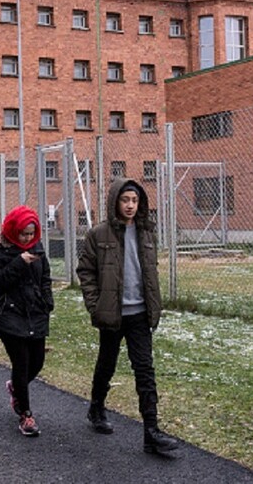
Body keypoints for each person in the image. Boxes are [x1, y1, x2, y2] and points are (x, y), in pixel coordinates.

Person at [76, 178, 179, 455]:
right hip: (112, 314)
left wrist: (154, 306)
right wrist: (96, 306)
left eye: (134, 200)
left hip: (140, 314)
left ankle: (151, 431)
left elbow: (150, 271)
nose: (130, 205)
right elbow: (85, 271)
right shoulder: (98, 234)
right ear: (115, 202)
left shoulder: (147, 232)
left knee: (145, 370)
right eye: (125, 200)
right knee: (107, 363)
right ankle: (96, 407)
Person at [0, 206, 53, 437]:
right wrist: (19, 262)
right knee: (21, 363)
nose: (27, 238)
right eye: (23, 234)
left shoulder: (37, 248)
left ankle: (16, 386)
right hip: (10, 315)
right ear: (14, 231)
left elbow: (45, 277)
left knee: (37, 361)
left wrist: (47, 302)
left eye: (31, 234)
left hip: (35, 313)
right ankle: (25, 414)